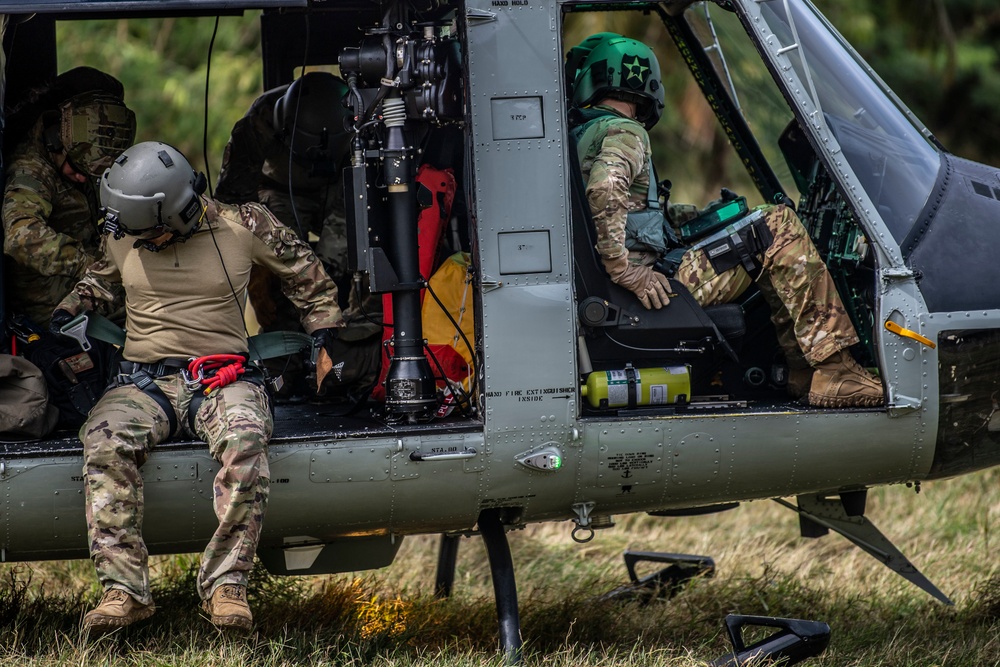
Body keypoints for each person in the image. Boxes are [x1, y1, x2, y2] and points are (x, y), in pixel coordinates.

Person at [52, 141, 344, 634]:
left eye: (157, 232)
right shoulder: (124, 232)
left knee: (246, 439)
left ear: (184, 208)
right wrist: (62, 321)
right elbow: (97, 285)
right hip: (145, 380)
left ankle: (227, 585)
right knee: (103, 440)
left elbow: (310, 280)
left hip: (223, 377)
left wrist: (326, 339)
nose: (147, 241)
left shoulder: (244, 226)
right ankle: (124, 592)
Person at [568, 33, 882, 408]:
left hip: (615, 284)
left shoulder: (584, 133)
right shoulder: (626, 130)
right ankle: (835, 371)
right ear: (645, 83)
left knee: (758, 232)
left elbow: (631, 211)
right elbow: (605, 190)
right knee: (776, 226)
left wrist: (697, 219)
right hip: (642, 288)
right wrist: (624, 270)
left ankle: (803, 373)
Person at [216, 70, 361, 398]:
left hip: (341, 186)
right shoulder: (258, 124)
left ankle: (337, 359)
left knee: (337, 267)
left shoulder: (360, 118)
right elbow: (233, 208)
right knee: (281, 269)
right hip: (278, 189)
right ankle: (284, 363)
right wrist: (258, 267)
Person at [3, 72, 136, 328]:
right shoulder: (31, 170)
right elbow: (20, 237)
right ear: (56, 141)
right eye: (76, 167)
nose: (81, 178)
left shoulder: (75, 156)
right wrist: (87, 264)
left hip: (82, 285)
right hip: (49, 300)